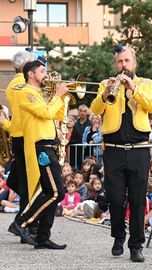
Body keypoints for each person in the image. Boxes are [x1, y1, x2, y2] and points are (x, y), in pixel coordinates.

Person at [90, 44, 152, 262]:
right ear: (115, 64)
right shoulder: (105, 83)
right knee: (115, 199)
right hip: (113, 150)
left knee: (138, 200)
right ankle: (118, 236)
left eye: (127, 61)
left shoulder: (146, 83)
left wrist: (133, 88)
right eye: (120, 62)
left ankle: (136, 245)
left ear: (134, 63)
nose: (123, 65)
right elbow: (95, 109)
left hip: (139, 150)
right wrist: (105, 93)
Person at [9, 58, 68, 249]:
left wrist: (62, 99)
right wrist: (58, 96)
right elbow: (45, 113)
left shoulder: (39, 94)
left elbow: (54, 115)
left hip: (49, 145)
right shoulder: (26, 92)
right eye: (42, 71)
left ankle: (43, 237)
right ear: (31, 74)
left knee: (49, 191)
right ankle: (22, 223)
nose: (46, 75)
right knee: (57, 192)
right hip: (40, 147)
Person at [0, 50, 34, 233]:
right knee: (28, 182)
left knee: (20, 179)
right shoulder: (21, 83)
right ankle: (24, 222)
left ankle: (23, 220)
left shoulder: (18, 83)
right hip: (24, 136)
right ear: (24, 66)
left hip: (21, 135)